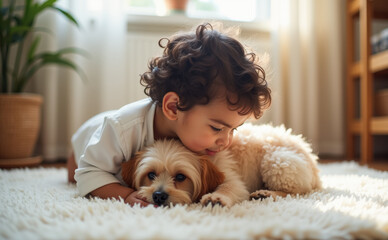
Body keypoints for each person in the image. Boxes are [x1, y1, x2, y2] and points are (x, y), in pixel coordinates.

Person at [67, 22, 271, 207]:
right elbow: (87, 173)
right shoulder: (122, 129)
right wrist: (126, 195)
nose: (226, 141)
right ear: (173, 107)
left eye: (233, 129)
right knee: (74, 177)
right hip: (85, 144)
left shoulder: (194, 135)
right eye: (217, 128)